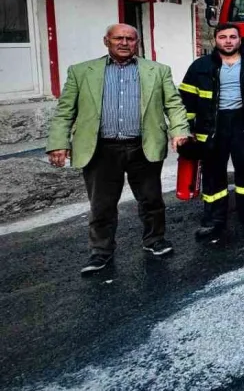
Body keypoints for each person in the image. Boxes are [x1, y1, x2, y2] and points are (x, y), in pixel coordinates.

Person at [46, 24, 190, 275]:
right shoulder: (82, 72)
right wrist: (59, 142)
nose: (124, 43)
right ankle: (100, 251)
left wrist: (179, 130)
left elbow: (174, 104)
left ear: (137, 42)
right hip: (102, 149)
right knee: (101, 204)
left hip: (142, 146)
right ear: (106, 41)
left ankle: (154, 240)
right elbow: (65, 111)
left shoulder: (157, 71)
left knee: (151, 199)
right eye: (118, 38)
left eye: (130, 39)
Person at [181, 23, 244, 243]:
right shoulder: (200, 66)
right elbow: (187, 98)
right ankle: (213, 219)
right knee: (213, 173)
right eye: (223, 37)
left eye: (232, 37)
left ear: (239, 40)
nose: (228, 41)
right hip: (212, 126)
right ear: (215, 40)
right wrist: (184, 129)